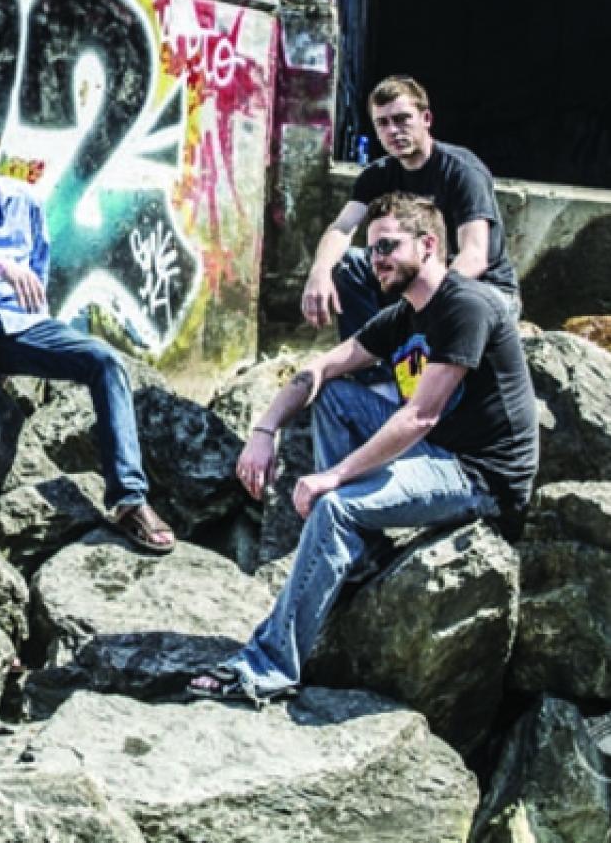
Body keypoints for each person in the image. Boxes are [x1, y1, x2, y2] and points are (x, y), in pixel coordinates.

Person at [189, 192, 538, 705]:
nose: (376, 259)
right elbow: (320, 368)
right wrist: (264, 430)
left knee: (335, 508)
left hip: (480, 475)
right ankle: (361, 553)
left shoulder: (466, 306)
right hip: (437, 452)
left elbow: (420, 416)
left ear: (428, 245)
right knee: (334, 395)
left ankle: (268, 667)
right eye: (372, 249)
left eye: (388, 246)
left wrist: (334, 478)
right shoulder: (406, 313)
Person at [0, 107, 175, 555]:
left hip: (22, 328)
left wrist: (36, 325)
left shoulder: (24, 202)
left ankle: (129, 499)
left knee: (105, 361)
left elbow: (37, 276)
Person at [303, 75, 520, 338]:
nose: (393, 130)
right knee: (347, 264)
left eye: (402, 119)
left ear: (426, 119)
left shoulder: (461, 171)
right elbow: (343, 227)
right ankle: (373, 362)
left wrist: (421, 302)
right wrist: (319, 271)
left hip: (480, 289)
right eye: (382, 123)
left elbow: (474, 256)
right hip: (415, 283)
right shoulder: (378, 175)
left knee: (450, 309)